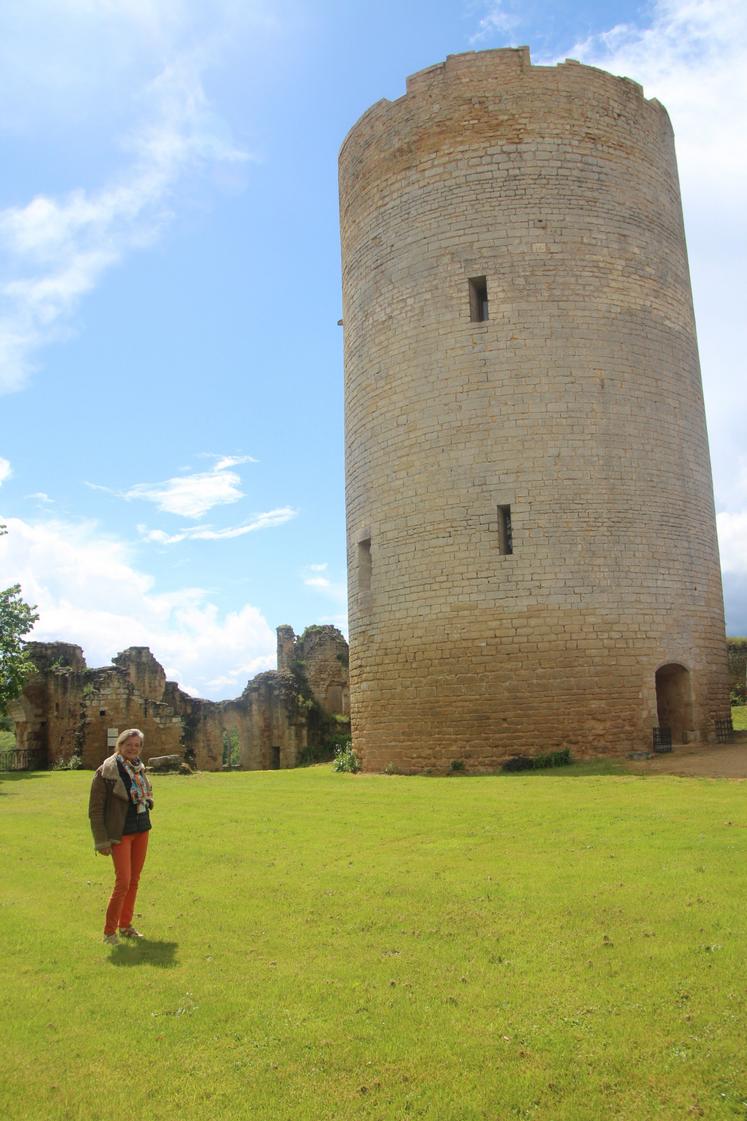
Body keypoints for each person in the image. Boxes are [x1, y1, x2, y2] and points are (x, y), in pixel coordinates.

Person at [88, 728, 154, 945]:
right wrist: (101, 841)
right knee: (123, 882)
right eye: (129, 744)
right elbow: (96, 810)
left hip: (141, 829)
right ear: (120, 744)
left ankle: (125, 925)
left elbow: (144, 794)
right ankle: (109, 932)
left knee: (134, 881)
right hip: (120, 833)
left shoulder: (139, 768)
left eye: (137, 745)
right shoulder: (106, 771)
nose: (133, 748)